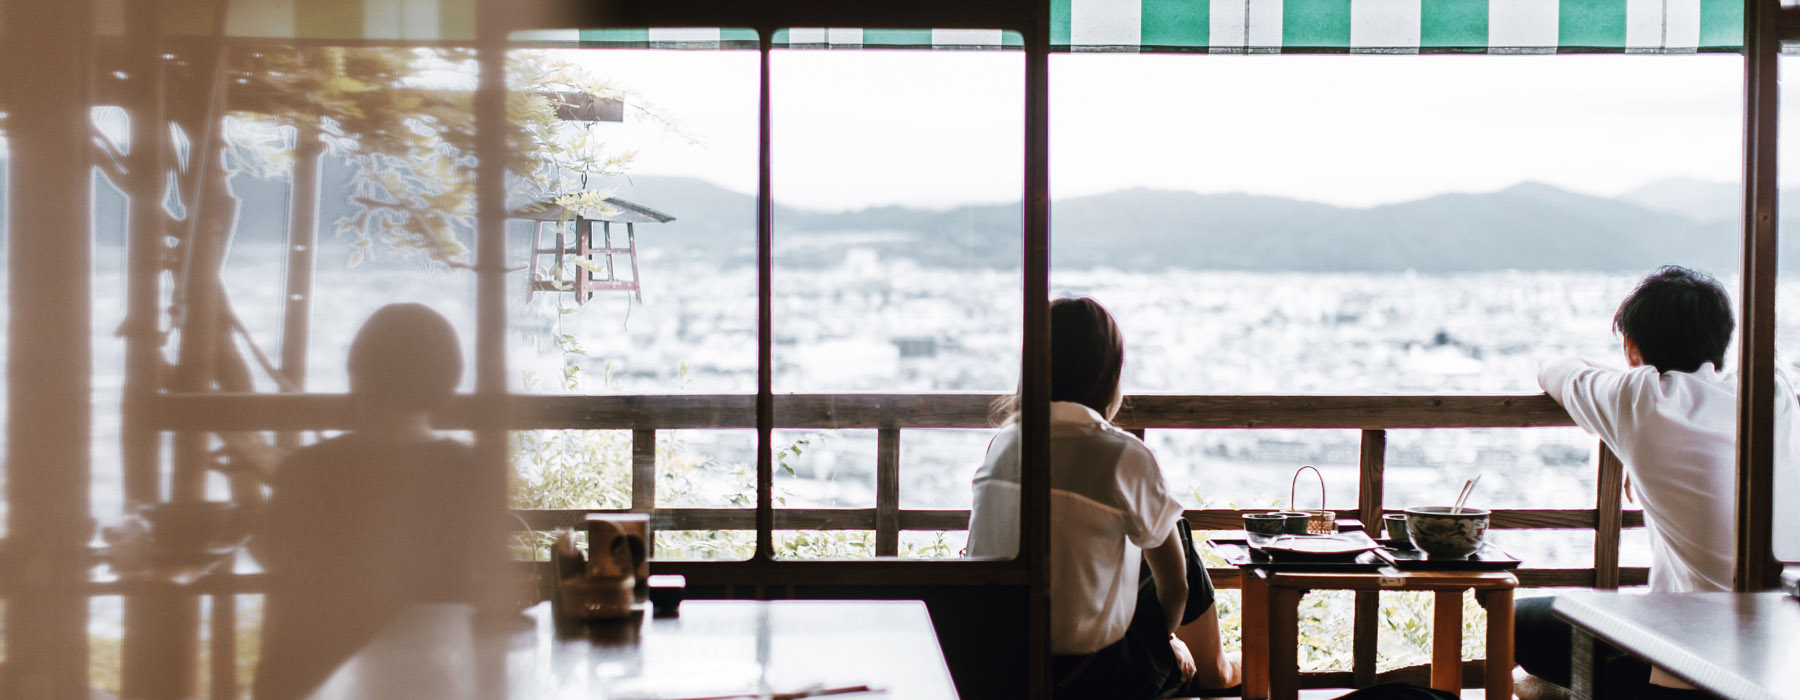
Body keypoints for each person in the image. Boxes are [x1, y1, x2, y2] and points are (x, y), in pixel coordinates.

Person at [1519, 266, 1800, 699]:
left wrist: (1629, 404)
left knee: (1516, 624)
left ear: (1632, 349)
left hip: (1694, 666)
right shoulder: (1771, 390)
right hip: (1784, 648)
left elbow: (1553, 369)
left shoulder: (1639, 398)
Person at [965, 297, 1241, 698]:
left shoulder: (1003, 443)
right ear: (1109, 375)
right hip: (1091, 676)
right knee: (1170, 532)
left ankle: (1208, 664)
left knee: (1138, 532)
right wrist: (1160, 640)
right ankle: (1214, 667)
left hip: (999, 661)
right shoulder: (1121, 455)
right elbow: (1176, 588)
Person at [251, 303, 491, 700]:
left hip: (308, 678)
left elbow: (273, 554)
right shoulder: (468, 468)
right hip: (430, 678)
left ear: (358, 373)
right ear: (447, 378)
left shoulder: (306, 468)